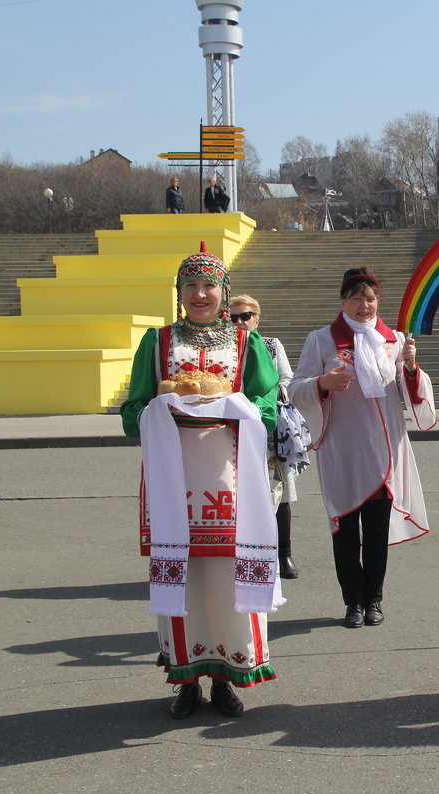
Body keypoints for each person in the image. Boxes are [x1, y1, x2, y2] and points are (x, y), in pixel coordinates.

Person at [122, 245, 281, 720]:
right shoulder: (158, 342)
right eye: (190, 285)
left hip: (230, 480)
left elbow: (268, 406)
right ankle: (186, 678)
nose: (200, 293)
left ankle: (225, 680)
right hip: (174, 482)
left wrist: (238, 410)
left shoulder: (246, 343)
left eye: (209, 284)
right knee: (184, 582)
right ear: (179, 292)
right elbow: (132, 413)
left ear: (224, 291)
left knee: (225, 581)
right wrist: (157, 410)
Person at [289, 267, 436, 629]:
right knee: (344, 530)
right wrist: (323, 382)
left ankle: (374, 599)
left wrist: (413, 367)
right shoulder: (322, 340)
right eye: (355, 297)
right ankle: (352, 602)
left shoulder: (395, 341)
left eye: (370, 298)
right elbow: (295, 390)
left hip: (385, 452)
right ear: (342, 301)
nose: (363, 305)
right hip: (342, 449)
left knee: (375, 533)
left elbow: (409, 391)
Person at [230, 294, 304, 579]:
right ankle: (242, 554)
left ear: (257, 319)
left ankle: (283, 554)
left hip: (268, 429)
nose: (239, 322)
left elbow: (287, 379)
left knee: (280, 493)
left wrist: (265, 398)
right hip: (232, 430)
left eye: (245, 316)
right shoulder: (223, 347)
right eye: (233, 316)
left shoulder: (271, 345)